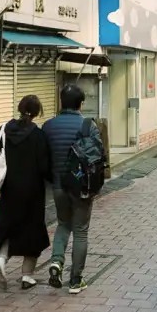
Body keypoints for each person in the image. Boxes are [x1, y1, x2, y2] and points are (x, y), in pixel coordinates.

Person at [43, 83, 104, 295]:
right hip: (82, 188)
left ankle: (56, 263)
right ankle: (76, 280)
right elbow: (98, 158)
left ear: (61, 102)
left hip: (58, 187)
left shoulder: (48, 126)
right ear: (81, 103)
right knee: (80, 230)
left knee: (62, 224)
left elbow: (44, 158)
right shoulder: (88, 126)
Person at [0, 95, 51, 291]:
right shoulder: (38, 135)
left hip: (9, 189)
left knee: (8, 228)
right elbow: (45, 167)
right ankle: (27, 276)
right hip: (32, 192)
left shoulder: (4, 129)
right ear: (37, 112)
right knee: (33, 234)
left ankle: (1, 260)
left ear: (20, 108)